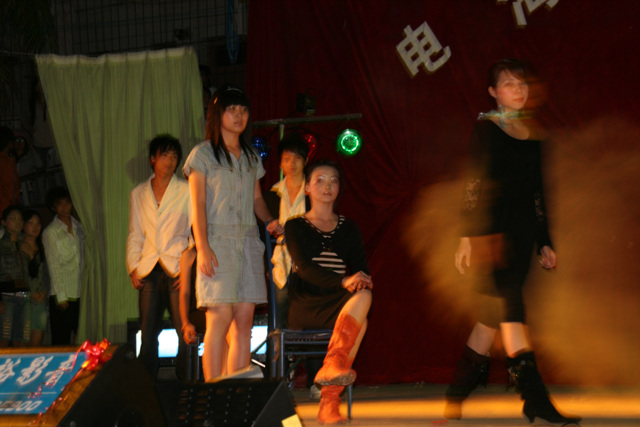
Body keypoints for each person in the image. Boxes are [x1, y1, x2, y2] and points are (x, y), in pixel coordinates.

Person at [445, 59, 580, 425]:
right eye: (508, 84)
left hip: (521, 239)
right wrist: (466, 237)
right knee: (513, 315)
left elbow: (538, 193)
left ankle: (457, 392)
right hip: (492, 238)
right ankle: (536, 400)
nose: (518, 90)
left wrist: (544, 241)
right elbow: (473, 185)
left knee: (489, 319)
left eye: (522, 83)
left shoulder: (534, 136)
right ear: (493, 92)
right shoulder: (485, 130)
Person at [183, 84, 283, 381]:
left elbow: (257, 200)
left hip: (248, 243)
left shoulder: (251, 157)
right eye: (231, 110)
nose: (239, 116)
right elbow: (198, 205)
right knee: (220, 320)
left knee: (243, 324)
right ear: (218, 114)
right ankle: (213, 391)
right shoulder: (202, 155)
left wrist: (270, 220)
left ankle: (236, 390)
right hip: (217, 243)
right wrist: (203, 247)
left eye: (243, 110)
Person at [284, 159, 373, 424]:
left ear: (339, 188)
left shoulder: (349, 227)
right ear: (307, 187)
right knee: (361, 322)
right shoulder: (295, 225)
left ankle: (332, 371)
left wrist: (361, 280)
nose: (327, 186)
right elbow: (304, 269)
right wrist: (344, 281)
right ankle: (329, 402)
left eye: (333, 181)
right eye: (320, 180)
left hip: (336, 302)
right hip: (305, 303)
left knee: (365, 295)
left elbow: (361, 268)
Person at [126, 135, 191, 379]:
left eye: (174, 157)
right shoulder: (138, 193)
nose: (170, 161)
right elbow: (135, 233)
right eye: (164, 155)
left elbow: (195, 232)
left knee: (184, 330)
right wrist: (133, 267)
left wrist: (189, 270)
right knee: (147, 331)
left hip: (177, 267)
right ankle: (145, 385)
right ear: (152, 159)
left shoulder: (186, 190)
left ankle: (185, 383)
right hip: (149, 269)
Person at [263, 132, 310, 326]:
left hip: (308, 265)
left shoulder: (314, 193)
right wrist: (266, 266)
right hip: (280, 265)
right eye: (287, 159)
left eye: (297, 158)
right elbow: (261, 235)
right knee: (279, 322)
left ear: (306, 161)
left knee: (307, 319)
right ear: (280, 164)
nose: (292, 163)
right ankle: (278, 348)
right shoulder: (271, 195)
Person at [42, 187, 84, 346]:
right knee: (61, 341)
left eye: (67, 202)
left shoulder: (79, 227)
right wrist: (61, 296)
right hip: (63, 294)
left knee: (82, 339)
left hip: (81, 291)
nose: (65, 207)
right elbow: (53, 265)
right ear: (53, 207)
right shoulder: (50, 232)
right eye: (60, 204)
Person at [0, 205, 31, 347]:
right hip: (6, 295)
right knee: (4, 336)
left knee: (22, 337)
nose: (18, 222)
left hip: (24, 295)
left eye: (20, 219)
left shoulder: (26, 242)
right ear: (4, 222)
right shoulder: (1, 245)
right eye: (13, 218)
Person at [19, 209, 48, 346]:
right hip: (22, 299)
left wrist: (45, 291)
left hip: (40, 299)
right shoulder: (17, 245)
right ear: (23, 224)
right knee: (21, 342)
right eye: (30, 223)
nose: (35, 227)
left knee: (36, 342)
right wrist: (30, 292)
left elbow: (47, 273)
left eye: (38, 223)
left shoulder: (44, 247)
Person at [0, 127, 20, 217]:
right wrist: (13, 205)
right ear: (9, 143)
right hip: (5, 207)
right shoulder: (7, 161)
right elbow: (11, 186)